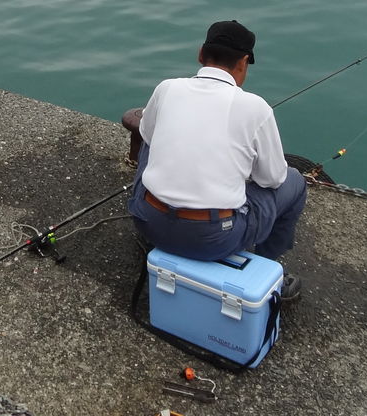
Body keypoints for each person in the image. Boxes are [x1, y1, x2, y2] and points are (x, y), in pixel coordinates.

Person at [129, 19, 306, 296]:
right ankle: (265, 273)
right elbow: (273, 180)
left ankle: (159, 222)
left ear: (201, 54)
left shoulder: (167, 88)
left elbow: (147, 136)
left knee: (149, 138)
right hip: (213, 239)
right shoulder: (256, 108)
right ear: (244, 62)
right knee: (294, 181)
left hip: (148, 221)